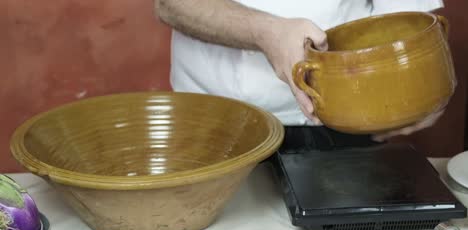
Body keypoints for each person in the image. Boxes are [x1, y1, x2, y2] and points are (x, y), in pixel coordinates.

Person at [153, 0, 446, 140]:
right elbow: (170, 4)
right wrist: (264, 32)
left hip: (346, 117)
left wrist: (423, 73)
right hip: (212, 120)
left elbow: (407, 13)